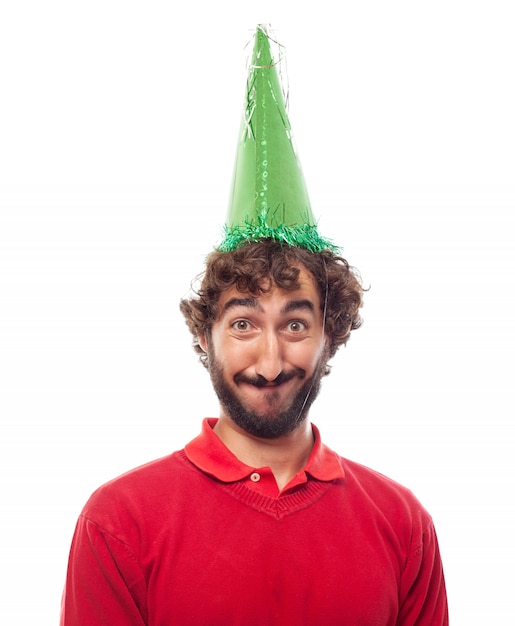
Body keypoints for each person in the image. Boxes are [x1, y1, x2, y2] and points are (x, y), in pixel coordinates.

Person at [60, 25, 448, 625]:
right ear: (203, 335)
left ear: (331, 332)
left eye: (295, 325)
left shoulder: (404, 526)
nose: (270, 362)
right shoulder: (119, 523)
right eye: (243, 324)